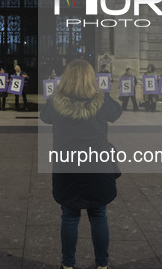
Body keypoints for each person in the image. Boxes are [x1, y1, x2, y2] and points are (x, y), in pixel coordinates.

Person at [40, 59, 122, 269]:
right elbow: (116, 113)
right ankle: (102, 265)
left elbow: (45, 117)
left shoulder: (55, 102)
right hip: (97, 167)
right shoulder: (101, 101)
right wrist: (101, 91)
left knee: (69, 216)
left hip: (67, 167)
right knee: (98, 216)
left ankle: (68, 265)